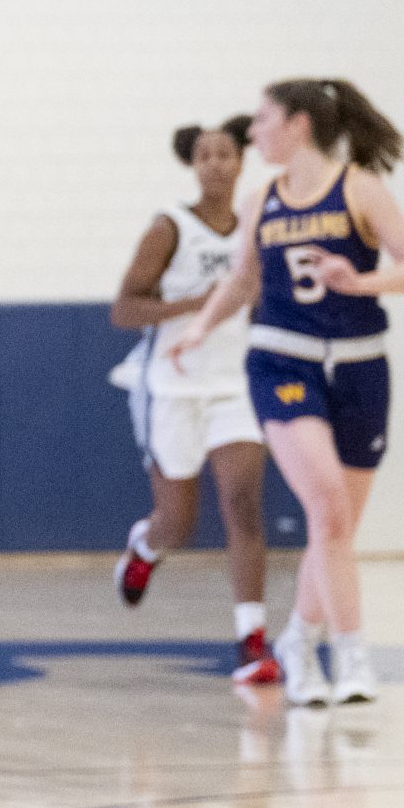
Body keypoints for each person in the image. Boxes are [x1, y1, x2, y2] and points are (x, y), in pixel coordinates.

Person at [172, 80, 404, 709]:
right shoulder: (261, 200)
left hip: (359, 366)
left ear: (298, 124)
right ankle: (352, 657)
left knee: (337, 528)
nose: (253, 133)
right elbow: (245, 278)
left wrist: (362, 282)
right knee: (327, 508)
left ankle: (299, 640)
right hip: (282, 360)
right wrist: (198, 327)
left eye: (264, 121)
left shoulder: (359, 188)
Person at [108, 117, 274, 683]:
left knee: (244, 505)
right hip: (173, 386)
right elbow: (124, 310)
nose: (215, 164)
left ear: (241, 159)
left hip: (235, 386)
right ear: (192, 163)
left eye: (225, 153)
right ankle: (144, 549)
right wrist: (198, 305)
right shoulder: (170, 228)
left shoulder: (256, 224)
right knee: (179, 521)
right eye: (204, 155)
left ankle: (252, 641)